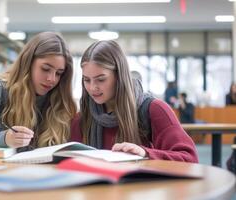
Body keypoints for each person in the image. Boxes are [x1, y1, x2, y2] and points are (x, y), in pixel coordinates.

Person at [70, 40, 198, 163]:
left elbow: (190, 159)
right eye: (86, 80)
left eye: (101, 79)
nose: (92, 87)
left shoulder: (155, 110)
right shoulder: (82, 118)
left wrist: (145, 154)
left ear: (120, 76)